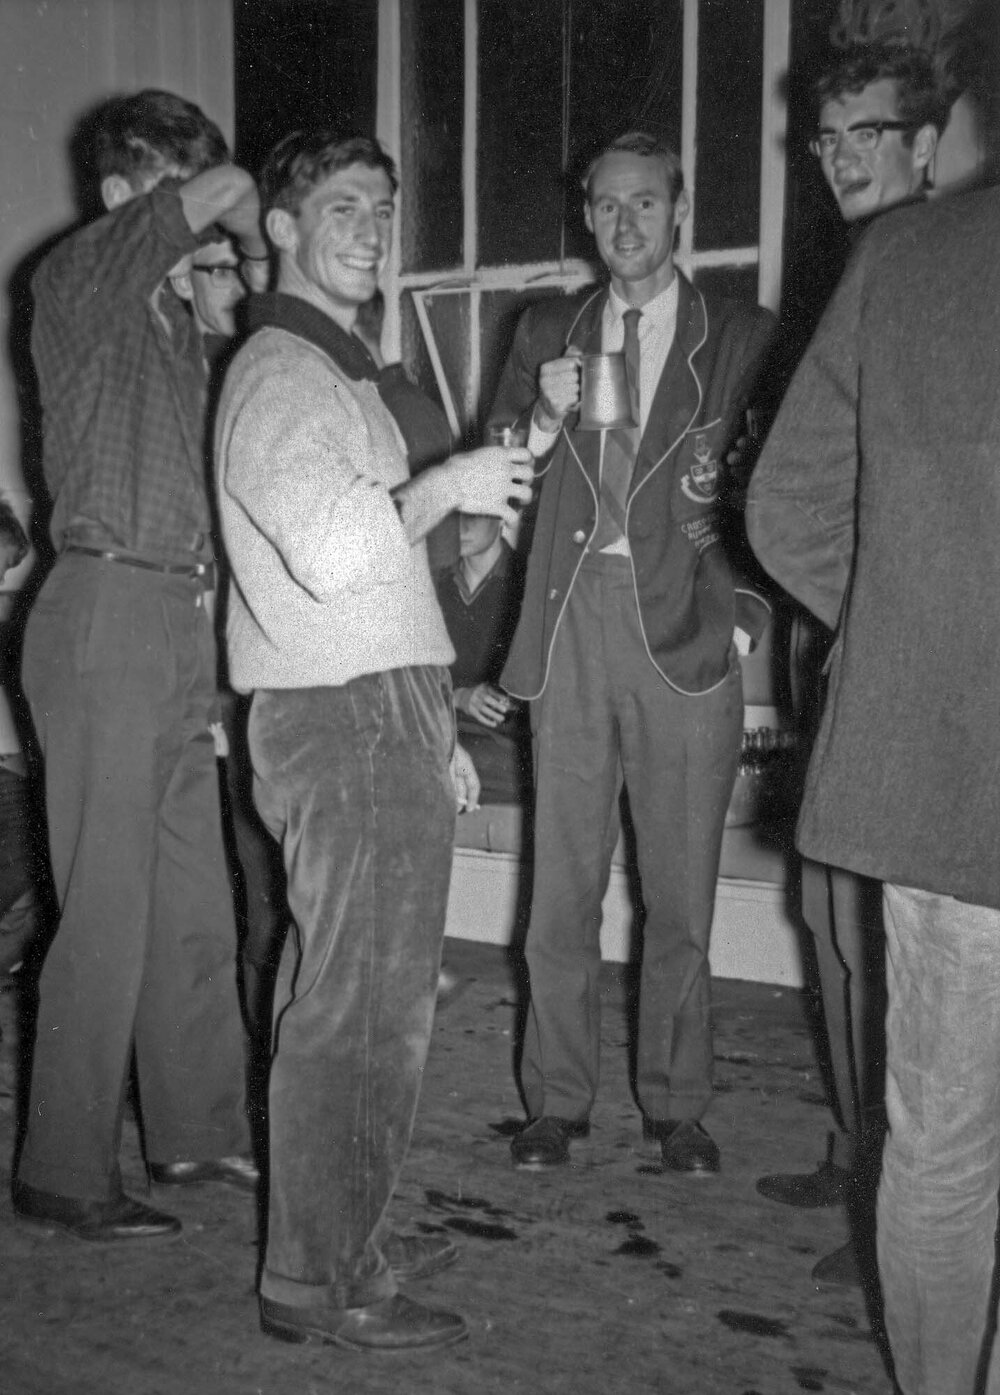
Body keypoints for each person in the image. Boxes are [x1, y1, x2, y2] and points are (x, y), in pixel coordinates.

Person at [214, 128, 532, 1352]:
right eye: (339, 206)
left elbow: (368, 582)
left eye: (382, 209)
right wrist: (449, 484)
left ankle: (339, 1232)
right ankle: (322, 1279)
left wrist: (429, 710)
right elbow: (337, 549)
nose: (367, 229)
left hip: (371, 702)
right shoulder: (283, 372)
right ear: (281, 230)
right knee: (364, 1017)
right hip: (340, 712)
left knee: (341, 1001)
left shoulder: (333, 374)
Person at [746, 181, 1000, 1395]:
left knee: (943, 1148)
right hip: (943, 784)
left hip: (943, 777)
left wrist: (912, 635)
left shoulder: (909, 253)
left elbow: (785, 501)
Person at [490, 131, 774, 1175]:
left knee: (678, 890)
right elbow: (497, 483)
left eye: (643, 204)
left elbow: (781, 488)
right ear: (587, 216)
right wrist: (536, 415)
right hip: (570, 622)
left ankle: (675, 1105)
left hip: (688, 631)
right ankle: (554, 1102)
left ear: (680, 209)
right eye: (606, 207)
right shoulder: (543, 330)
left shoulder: (744, 335)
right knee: (558, 884)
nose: (624, 225)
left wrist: (742, 614)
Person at [13, 90, 267, 1244]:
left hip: (174, 618)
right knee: (107, 907)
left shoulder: (176, 332)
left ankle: (195, 1131)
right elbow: (217, 203)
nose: (199, 226)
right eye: (173, 194)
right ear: (124, 200)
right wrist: (252, 215)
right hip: (103, 606)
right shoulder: (76, 285)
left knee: (192, 899)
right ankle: (62, 1167)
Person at [755, 41, 950, 1288]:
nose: (837, 163)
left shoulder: (951, 268)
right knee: (832, 922)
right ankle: (855, 1147)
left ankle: (905, 1190)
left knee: (897, 942)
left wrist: (877, 623)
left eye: (862, 137)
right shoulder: (861, 265)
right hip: (838, 645)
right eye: (823, 144)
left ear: (928, 144)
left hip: (908, 661)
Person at [434, 511, 531, 806]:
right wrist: (458, 697)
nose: (461, 526)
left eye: (475, 513)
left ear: (504, 515)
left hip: (499, 740)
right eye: (456, 512)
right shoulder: (429, 582)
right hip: (440, 727)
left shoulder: (530, 583)